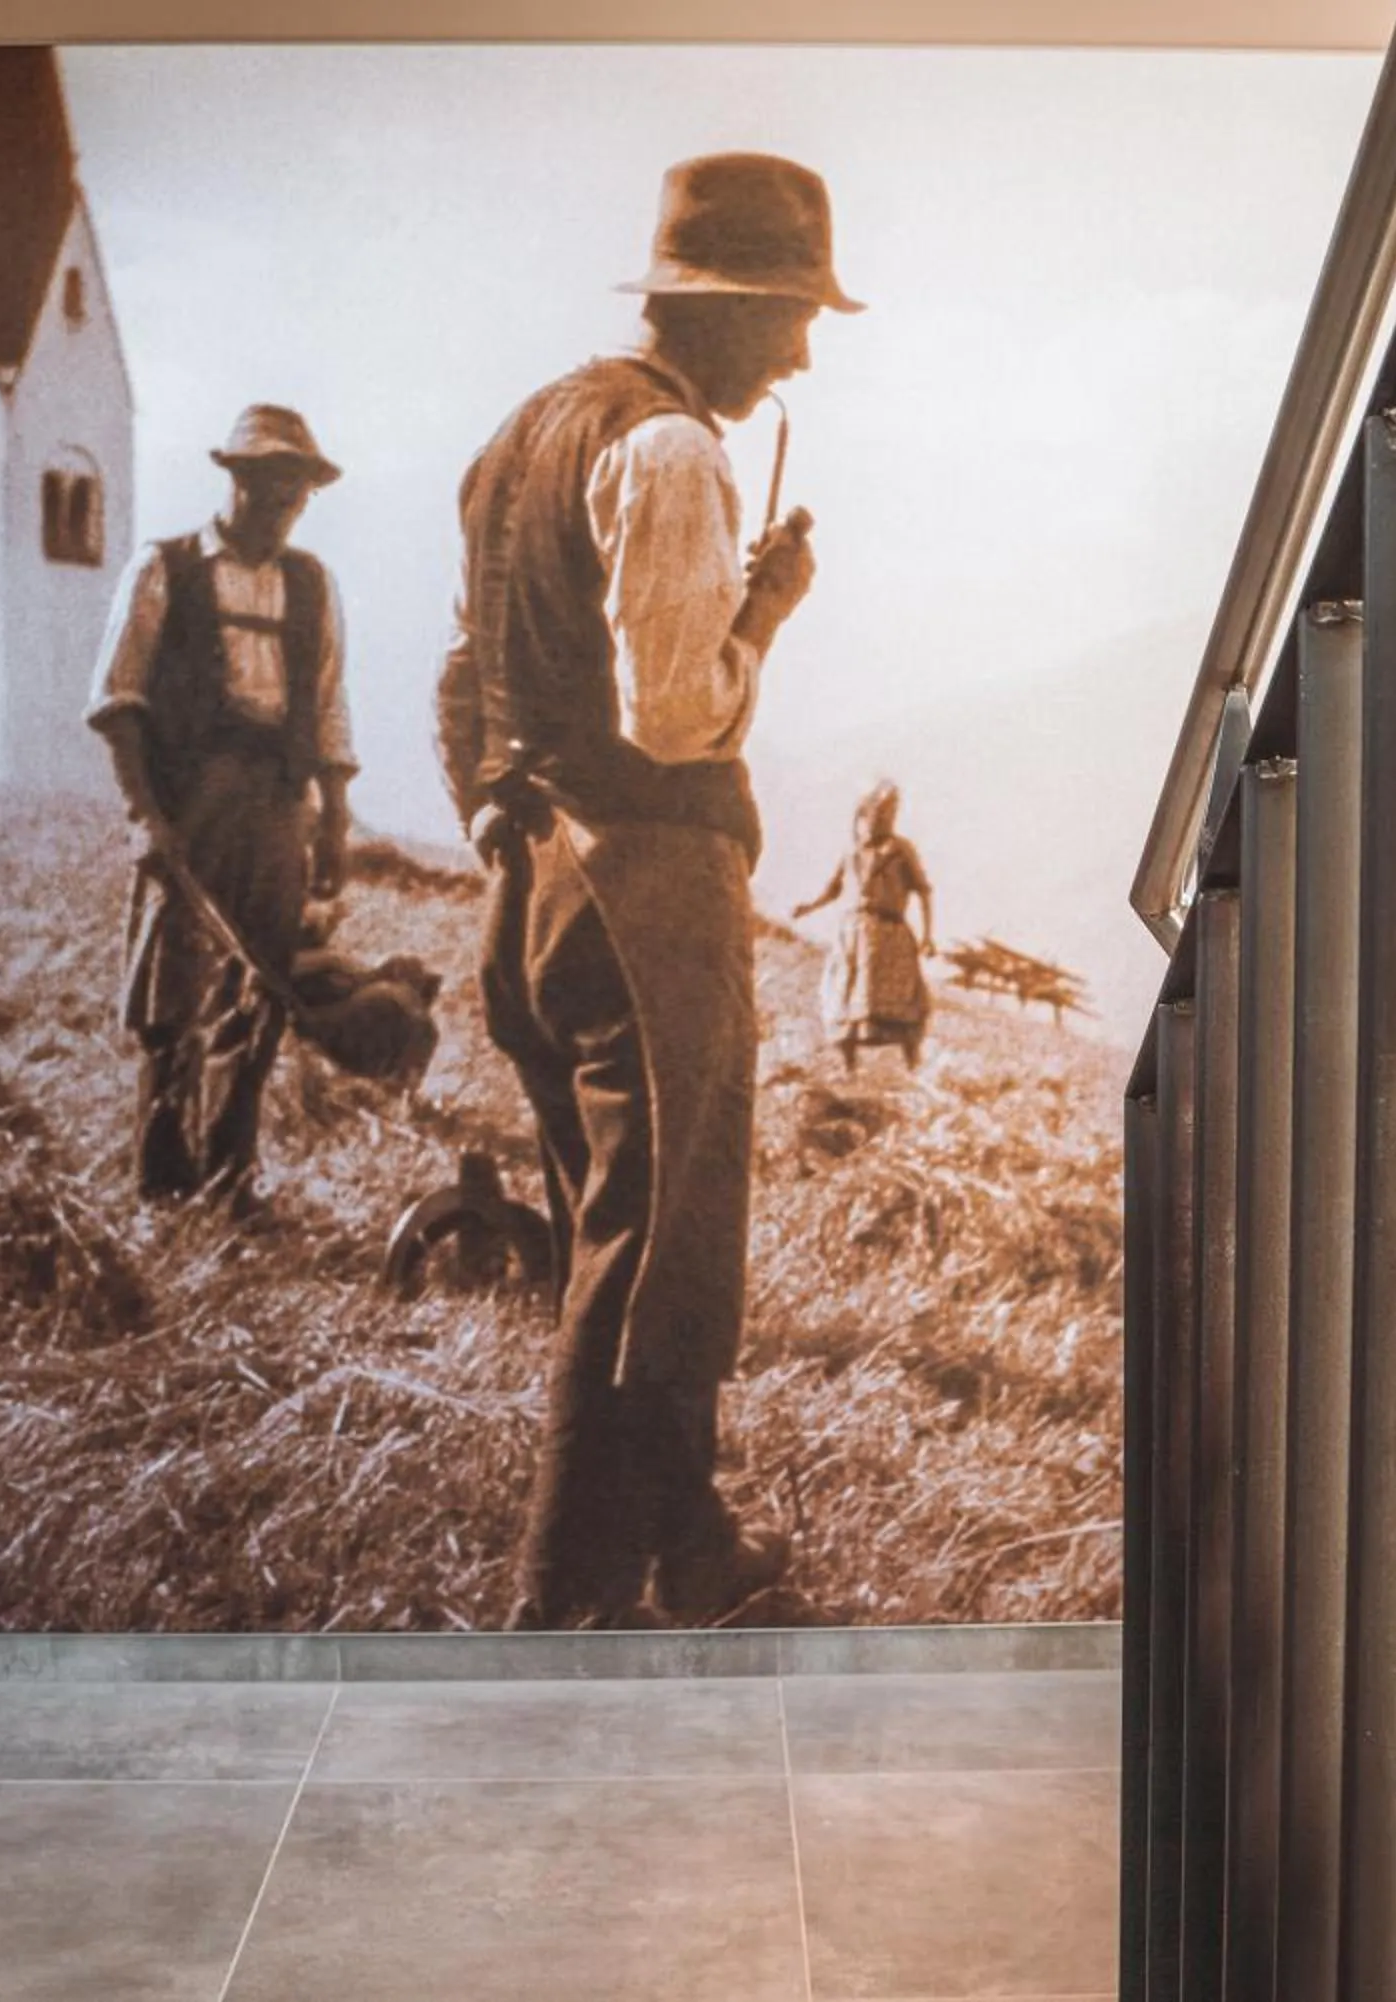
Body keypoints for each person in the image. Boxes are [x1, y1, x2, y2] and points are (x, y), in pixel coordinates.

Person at [436, 152, 857, 1628]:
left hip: (538, 890)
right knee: (651, 1255)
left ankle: (694, 1549)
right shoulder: (671, 450)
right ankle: (564, 1612)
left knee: (625, 1228)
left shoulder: (525, 433)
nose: (801, 348)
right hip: (648, 890)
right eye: (791, 311)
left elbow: (466, 670)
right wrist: (762, 612)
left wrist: (503, 824)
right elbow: (677, 715)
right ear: (721, 305)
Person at [85, 405, 355, 1214]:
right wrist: (146, 818)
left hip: (278, 807)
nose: (280, 509)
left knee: (263, 988)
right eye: (267, 490)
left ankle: (230, 1184)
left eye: (295, 495)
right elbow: (118, 701)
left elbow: (332, 705)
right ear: (234, 483)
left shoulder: (312, 584)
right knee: (173, 996)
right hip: (191, 800)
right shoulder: (163, 569)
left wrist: (334, 819)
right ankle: (161, 1188)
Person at [793, 780, 936, 1072]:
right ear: (861, 817)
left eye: (887, 814)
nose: (879, 820)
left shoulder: (900, 849)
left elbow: (923, 890)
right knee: (846, 995)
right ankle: (849, 1068)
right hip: (854, 932)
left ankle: (913, 1065)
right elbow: (833, 888)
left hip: (890, 932)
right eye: (874, 814)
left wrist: (928, 935)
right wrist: (810, 906)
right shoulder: (851, 852)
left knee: (900, 999)